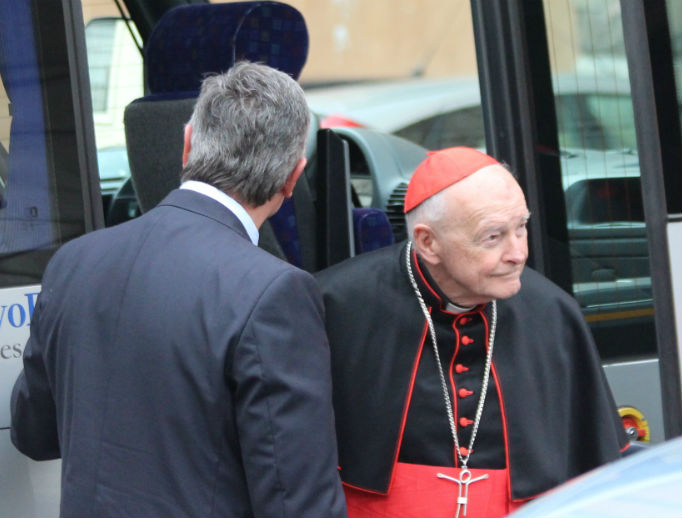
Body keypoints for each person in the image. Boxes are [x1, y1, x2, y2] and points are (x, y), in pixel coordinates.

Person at [10, 61, 347, 518]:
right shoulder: (273, 292)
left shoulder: (74, 260)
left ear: (187, 145)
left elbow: (34, 433)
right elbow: (297, 501)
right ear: (293, 177)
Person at [315, 146, 629, 518]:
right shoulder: (335, 303)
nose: (517, 253)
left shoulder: (553, 311)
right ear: (428, 242)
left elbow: (592, 471)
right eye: (493, 236)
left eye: (521, 228)